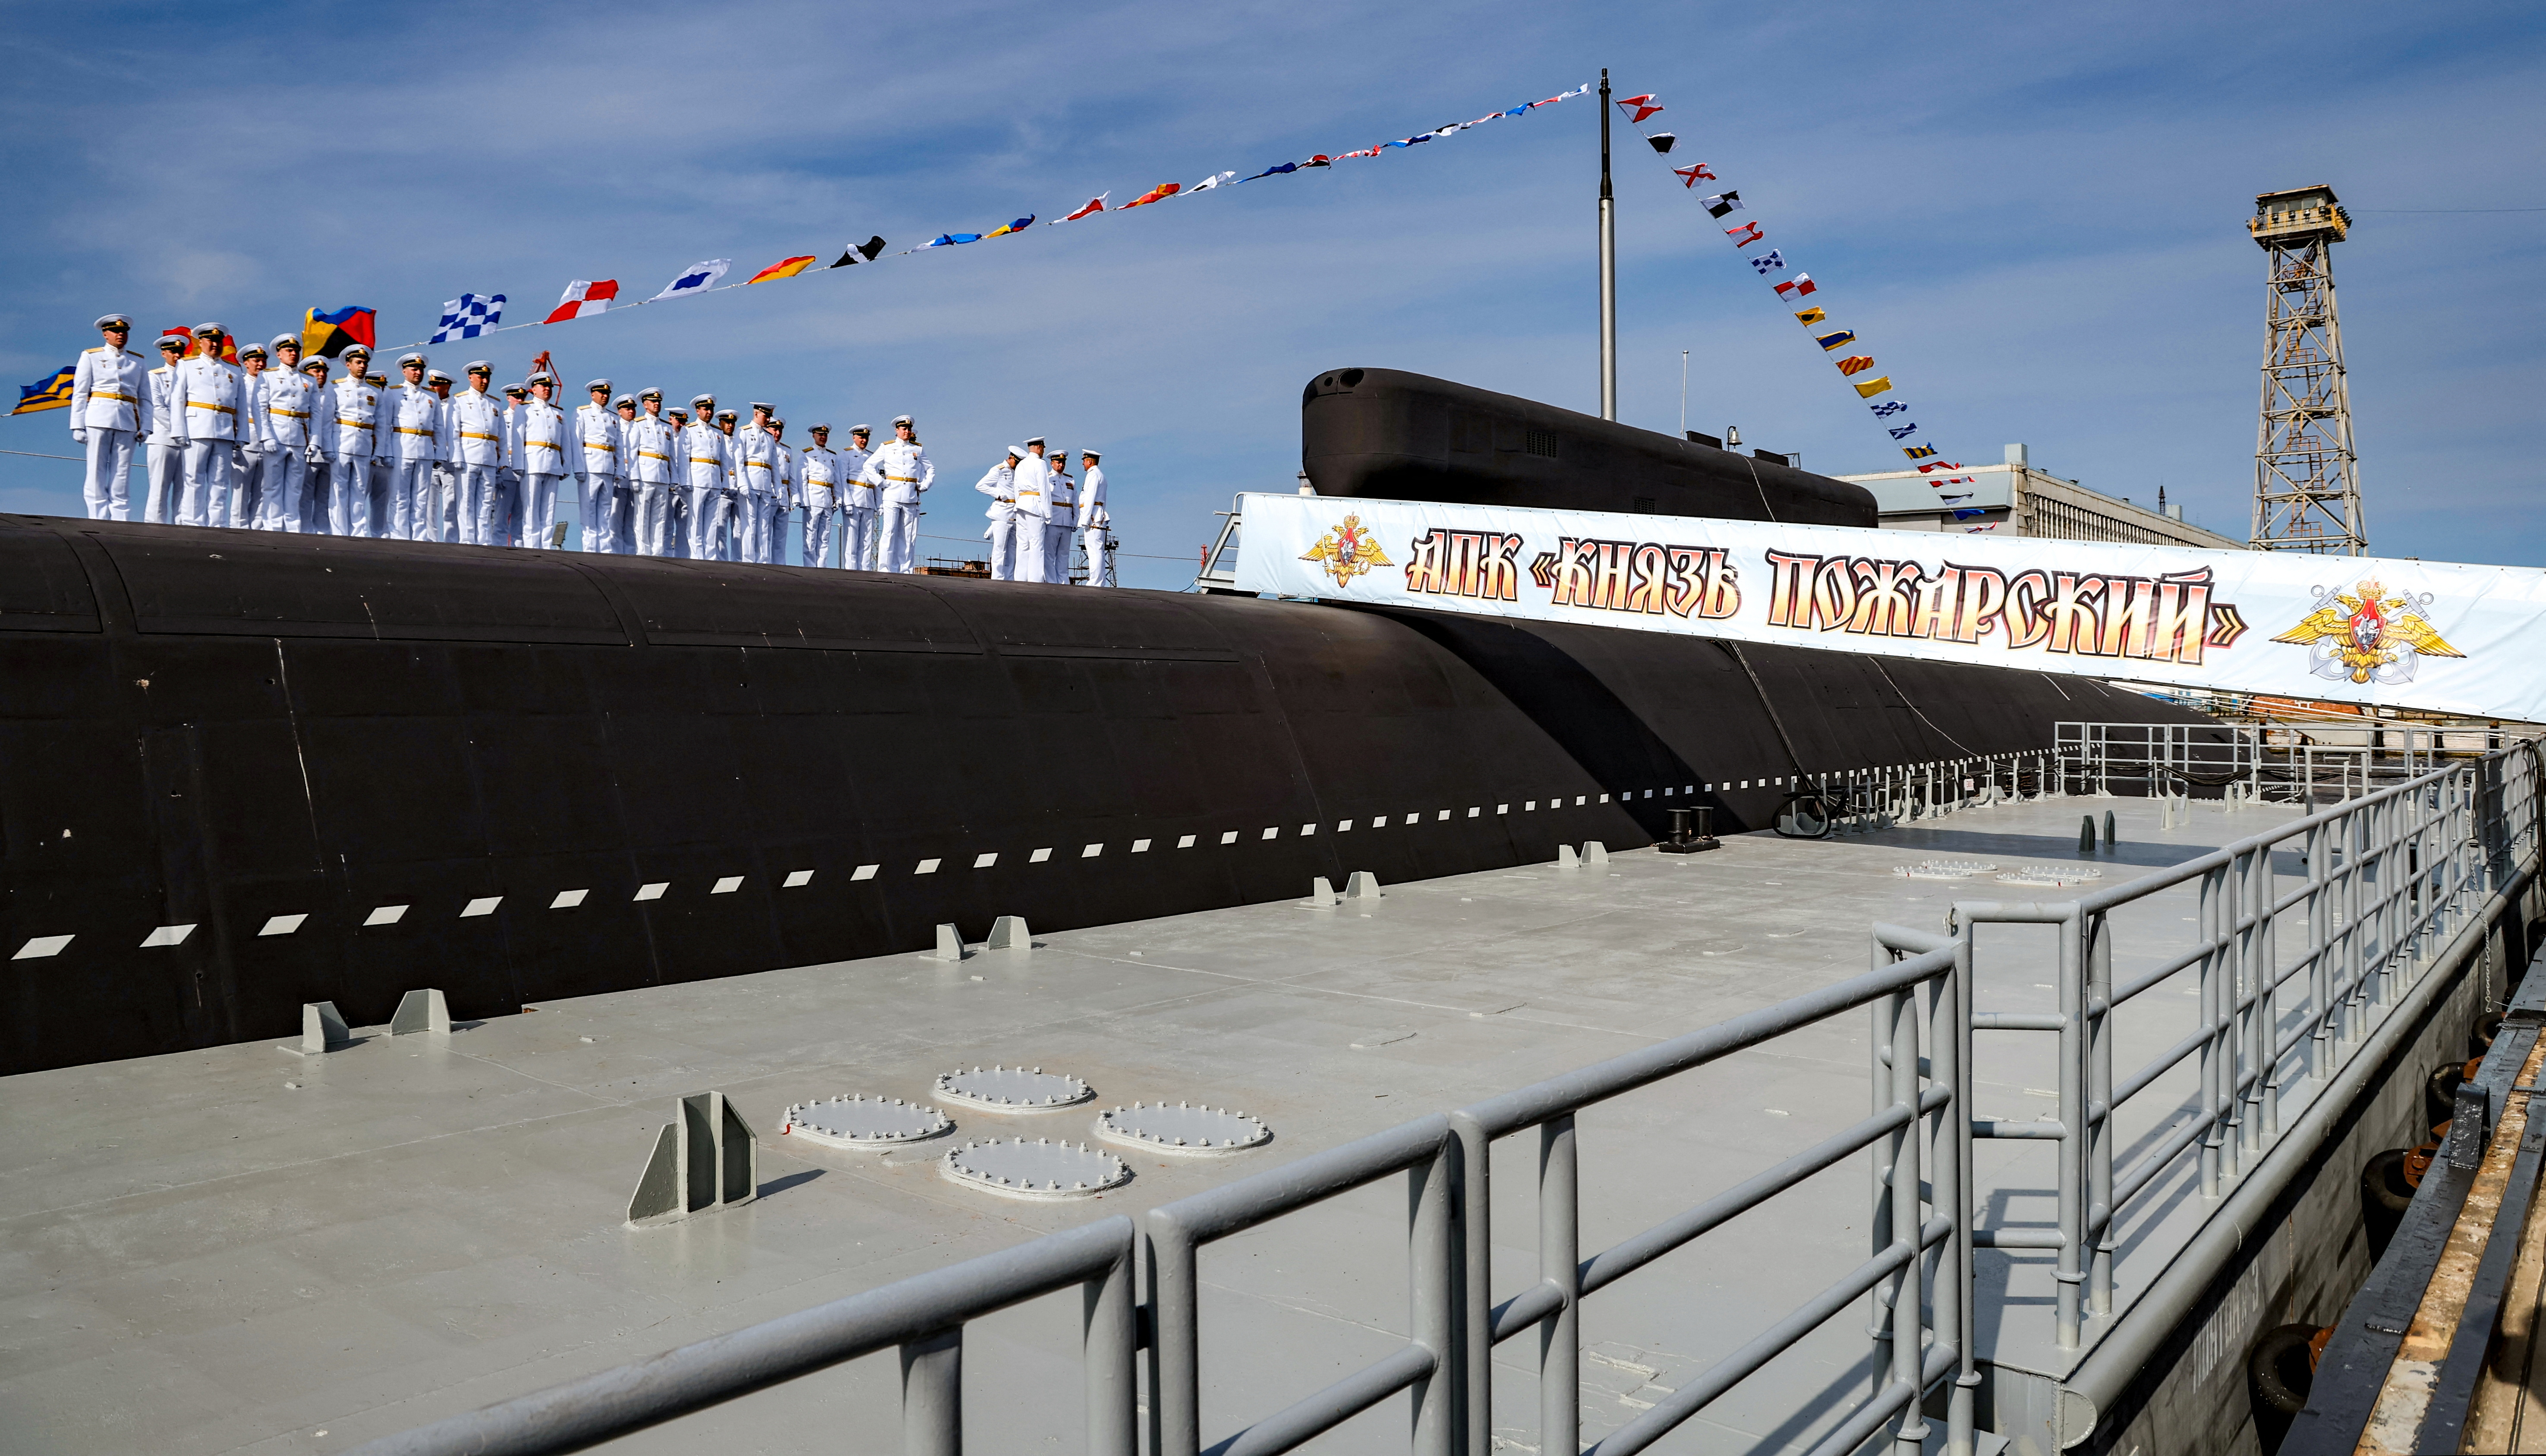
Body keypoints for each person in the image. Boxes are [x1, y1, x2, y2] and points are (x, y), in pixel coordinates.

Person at [169, 323, 251, 528]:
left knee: (220, 481)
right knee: (194, 479)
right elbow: (177, 399)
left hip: (224, 431)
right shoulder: (187, 365)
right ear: (201, 342)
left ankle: (217, 524)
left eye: (218, 341)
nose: (215, 344)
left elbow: (241, 405)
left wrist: (241, 435)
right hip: (197, 428)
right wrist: (179, 429)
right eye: (210, 340)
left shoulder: (233, 370)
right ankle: (192, 522)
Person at [69, 314, 149, 521]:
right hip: (99, 417)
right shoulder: (91, 356)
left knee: (122, 472)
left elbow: (145, 398)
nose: (120, 335)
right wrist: (77, 425)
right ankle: (98, 517)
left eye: (124, 332)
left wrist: (146, 426)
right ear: (106, 334)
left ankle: (120, 518)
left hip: (128, 420)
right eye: (116, 331)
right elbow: (80, 392)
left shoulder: (137, 361)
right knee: (96, 469)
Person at [256, 334, 318, 532]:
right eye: (289, 351)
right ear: (279, 354)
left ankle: (292, 526)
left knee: (295, 485)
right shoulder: (268, 376)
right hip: (276, 436)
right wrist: (266, 436)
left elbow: (315, 412)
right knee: (272, 485)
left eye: (296, 351)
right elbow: (259, 408)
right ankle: (272, 525)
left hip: (300, 438)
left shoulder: (308, 380)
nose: (293, 354)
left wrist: (315, 441)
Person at [381, 353, 446, 541]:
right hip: (401, 448)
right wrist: (386, 452)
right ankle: (399, 535)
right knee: (399, 496)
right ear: (404, 371)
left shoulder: (431, 396)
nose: (418, 372)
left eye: (420, 369)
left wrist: (440, 451)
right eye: (414, 369)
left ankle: (419, 536)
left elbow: (439, 427)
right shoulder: (393, 393)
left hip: (425, 449)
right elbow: (385, 426)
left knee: (421, 497)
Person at [859, 413, 932, 573]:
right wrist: (881, 482)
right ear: (897, 430)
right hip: (892, 494)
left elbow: (930, 469)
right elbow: (869, 466)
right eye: (904, 428)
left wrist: (925, 484)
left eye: (909, 429)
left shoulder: (917, 449)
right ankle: (885, 569)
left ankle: (906, 570)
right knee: (889, 533)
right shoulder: (887, 447)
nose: (907, 431)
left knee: (908, 536)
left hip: (911, 496)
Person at [447, 362, 505, 546]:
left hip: (489, 457)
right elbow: (454, 431)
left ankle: (484, 539)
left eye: (487, 377)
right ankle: (467, 538)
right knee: (466, 500)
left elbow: (502, 436)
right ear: (470, 377)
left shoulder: (495, 403)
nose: (485, 381)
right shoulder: (459, 400)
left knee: (486, 501)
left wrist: (502, 459)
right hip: (468, 456)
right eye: (481, 377)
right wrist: (457, 456)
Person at [518, 376, 572, 548]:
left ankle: (546, 544)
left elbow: (566, 442)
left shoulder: (558, 413)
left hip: (553, 463)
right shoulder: (524, 409)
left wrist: (566, 466)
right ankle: (532, 545)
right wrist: (518, 465)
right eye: (543, 386)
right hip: (532, 461)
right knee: (531, 508)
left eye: (550, 386)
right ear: (533, 389)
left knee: (549, 509)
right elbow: (517, 438)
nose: (548, 389)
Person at [142, 332, 188, 524]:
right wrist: (180, 429)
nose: (177, 356)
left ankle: (183, 527)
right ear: (164, 354)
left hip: (189, 440)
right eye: (173, 351)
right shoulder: (155, 376)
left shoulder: (191, 377)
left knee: (186, 489)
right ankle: (155, 527)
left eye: (180, 352)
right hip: (164, 439)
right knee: (159, 487)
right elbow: (157, 408)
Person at [626, 389, 677, 555]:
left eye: (659, 402)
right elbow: (632, 453)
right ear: (645, 405)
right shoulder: (638, 424)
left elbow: (672, 456)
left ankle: (657, 551)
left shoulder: (666, 427)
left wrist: (674, 477)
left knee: (660, 517)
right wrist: (634, 477)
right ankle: (643, 551)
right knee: (642, 517)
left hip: (662, 476)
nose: (657, 404)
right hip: (645, 475)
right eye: (653, 402)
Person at [573, 378, 622, 552]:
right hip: (590, 466)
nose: (605, 396)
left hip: (608, 467)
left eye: (607, 393)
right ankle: (590, 548)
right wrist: (579, 468)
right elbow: (577, 441)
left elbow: (620, 447)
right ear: (592, 394)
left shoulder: (613, 417)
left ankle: (604, 548)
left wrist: (620, 471)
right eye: (601, 393)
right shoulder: (583, 413)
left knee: (605, 510)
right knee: (589, 509)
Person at [679, 401, 729, 560]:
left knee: (712, 521)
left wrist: (725, 482)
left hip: (714, 479)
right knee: (695, 521)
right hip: (697, 478)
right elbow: (683, 457)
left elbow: (723, 459)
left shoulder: (717, 432)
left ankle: (710, 555)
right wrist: (685, 480)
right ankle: (697, 556)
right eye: (706, 409)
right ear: (698, 411)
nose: (709, 412)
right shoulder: (689, 430)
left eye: (711, 409)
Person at [232, 342, 272, 529]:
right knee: (241, 489)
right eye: (256, 361)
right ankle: (239, 527)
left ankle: (257, 528)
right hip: (246, 441)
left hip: (268, 443)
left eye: (263, 361)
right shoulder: (239, 383)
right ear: (246, 363)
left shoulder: (272, 384)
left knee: (264, 491)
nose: (261, 365)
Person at [736, 402, 779, 564]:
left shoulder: (769, 437)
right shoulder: (744, 432)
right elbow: (739, 460)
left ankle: (763, 559)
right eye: (765, 416)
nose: (768, 419)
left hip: (765, 484)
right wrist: (742, 483)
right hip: (750, 481)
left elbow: (774, 464)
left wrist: (778, 486)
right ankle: (748, 559)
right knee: (750, 523)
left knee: (763, 525)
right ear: (756, 414)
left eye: (769, 416)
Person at [976, 446, 1021, 580]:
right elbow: (981, 485)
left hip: (1015, 514)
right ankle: (998, 578)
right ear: (1011, 458)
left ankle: (1009, 577)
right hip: (1002, 512)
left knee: (1013, 550)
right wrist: (999, 494)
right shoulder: (999, 470)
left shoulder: (1016, 472)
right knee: (1000, 549)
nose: (1017, 466)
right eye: (1017, 462)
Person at [798, 423, 840, 567]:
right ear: (814, 436)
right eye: (820, 434)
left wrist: (838, 498)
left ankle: (821, 566)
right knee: (810, 536)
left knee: (825, 537)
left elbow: (837, 480)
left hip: (828, 499)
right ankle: (810, 566)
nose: (823, 437)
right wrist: (804, 500)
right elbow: (802, 478)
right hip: (813, 498)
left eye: (825, 435)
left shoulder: (833, 456)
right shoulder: (807, 454)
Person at [425, 369, 458, 541]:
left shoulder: (456, 405)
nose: (433, 387)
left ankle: (451, 541)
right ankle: (430, 540)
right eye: (431, 384)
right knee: (427, 506)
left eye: (436, 384)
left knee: (450, 506)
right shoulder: (426, 402)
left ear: (447, 386)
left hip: (448, 462)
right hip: (429, 460)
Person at [1011, 436, 1049, 583]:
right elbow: (1044, 489)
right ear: (1039, 447)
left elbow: (1016, 487)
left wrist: (1018, 503)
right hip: (1035, 505)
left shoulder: (1021, 465)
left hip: (1021, 505)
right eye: (1043, 447)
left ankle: (1020, 578)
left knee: (1022, 545)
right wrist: (1048, 512)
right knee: (1037, 544)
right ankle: (1036, 580)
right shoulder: (1040, 464)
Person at [839, 424, 877, 569]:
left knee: (867, 539)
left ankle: (865, 569)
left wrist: (878, 503)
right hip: (853, 499)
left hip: (868, 500)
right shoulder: (846, 454)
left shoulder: (872, 456)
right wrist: (847, 501)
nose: (864, 440)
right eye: (861, 437)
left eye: (866, 437)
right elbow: (842, 479)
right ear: (854, 437)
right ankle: (851, 569)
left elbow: (875, 482)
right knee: (852, 539)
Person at [1078, 449, 1113, 586]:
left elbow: (1090, 498)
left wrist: (1086, 520)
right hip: (1097, 513)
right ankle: (1098, 580)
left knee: (1095, 549)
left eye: (1084, 461)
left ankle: (1096, 581)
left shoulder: (1093, 475)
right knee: (1095, 549)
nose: (1083, 464)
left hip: (1093, 515)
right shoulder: (1100, 475)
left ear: (1090, 461)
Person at [1043, 446, 1077, 583]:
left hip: (1067, 522)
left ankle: (1063, 582)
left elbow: (1075, 501)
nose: (1061, 465)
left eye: (1063, 463)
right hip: (1053, 521)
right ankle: (1051, 581)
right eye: (1058, 462)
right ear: (1052, 463)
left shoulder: (1071, 480)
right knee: (1049, 555)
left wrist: (1076, 521)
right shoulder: (1047, 478)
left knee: (1064, 555)